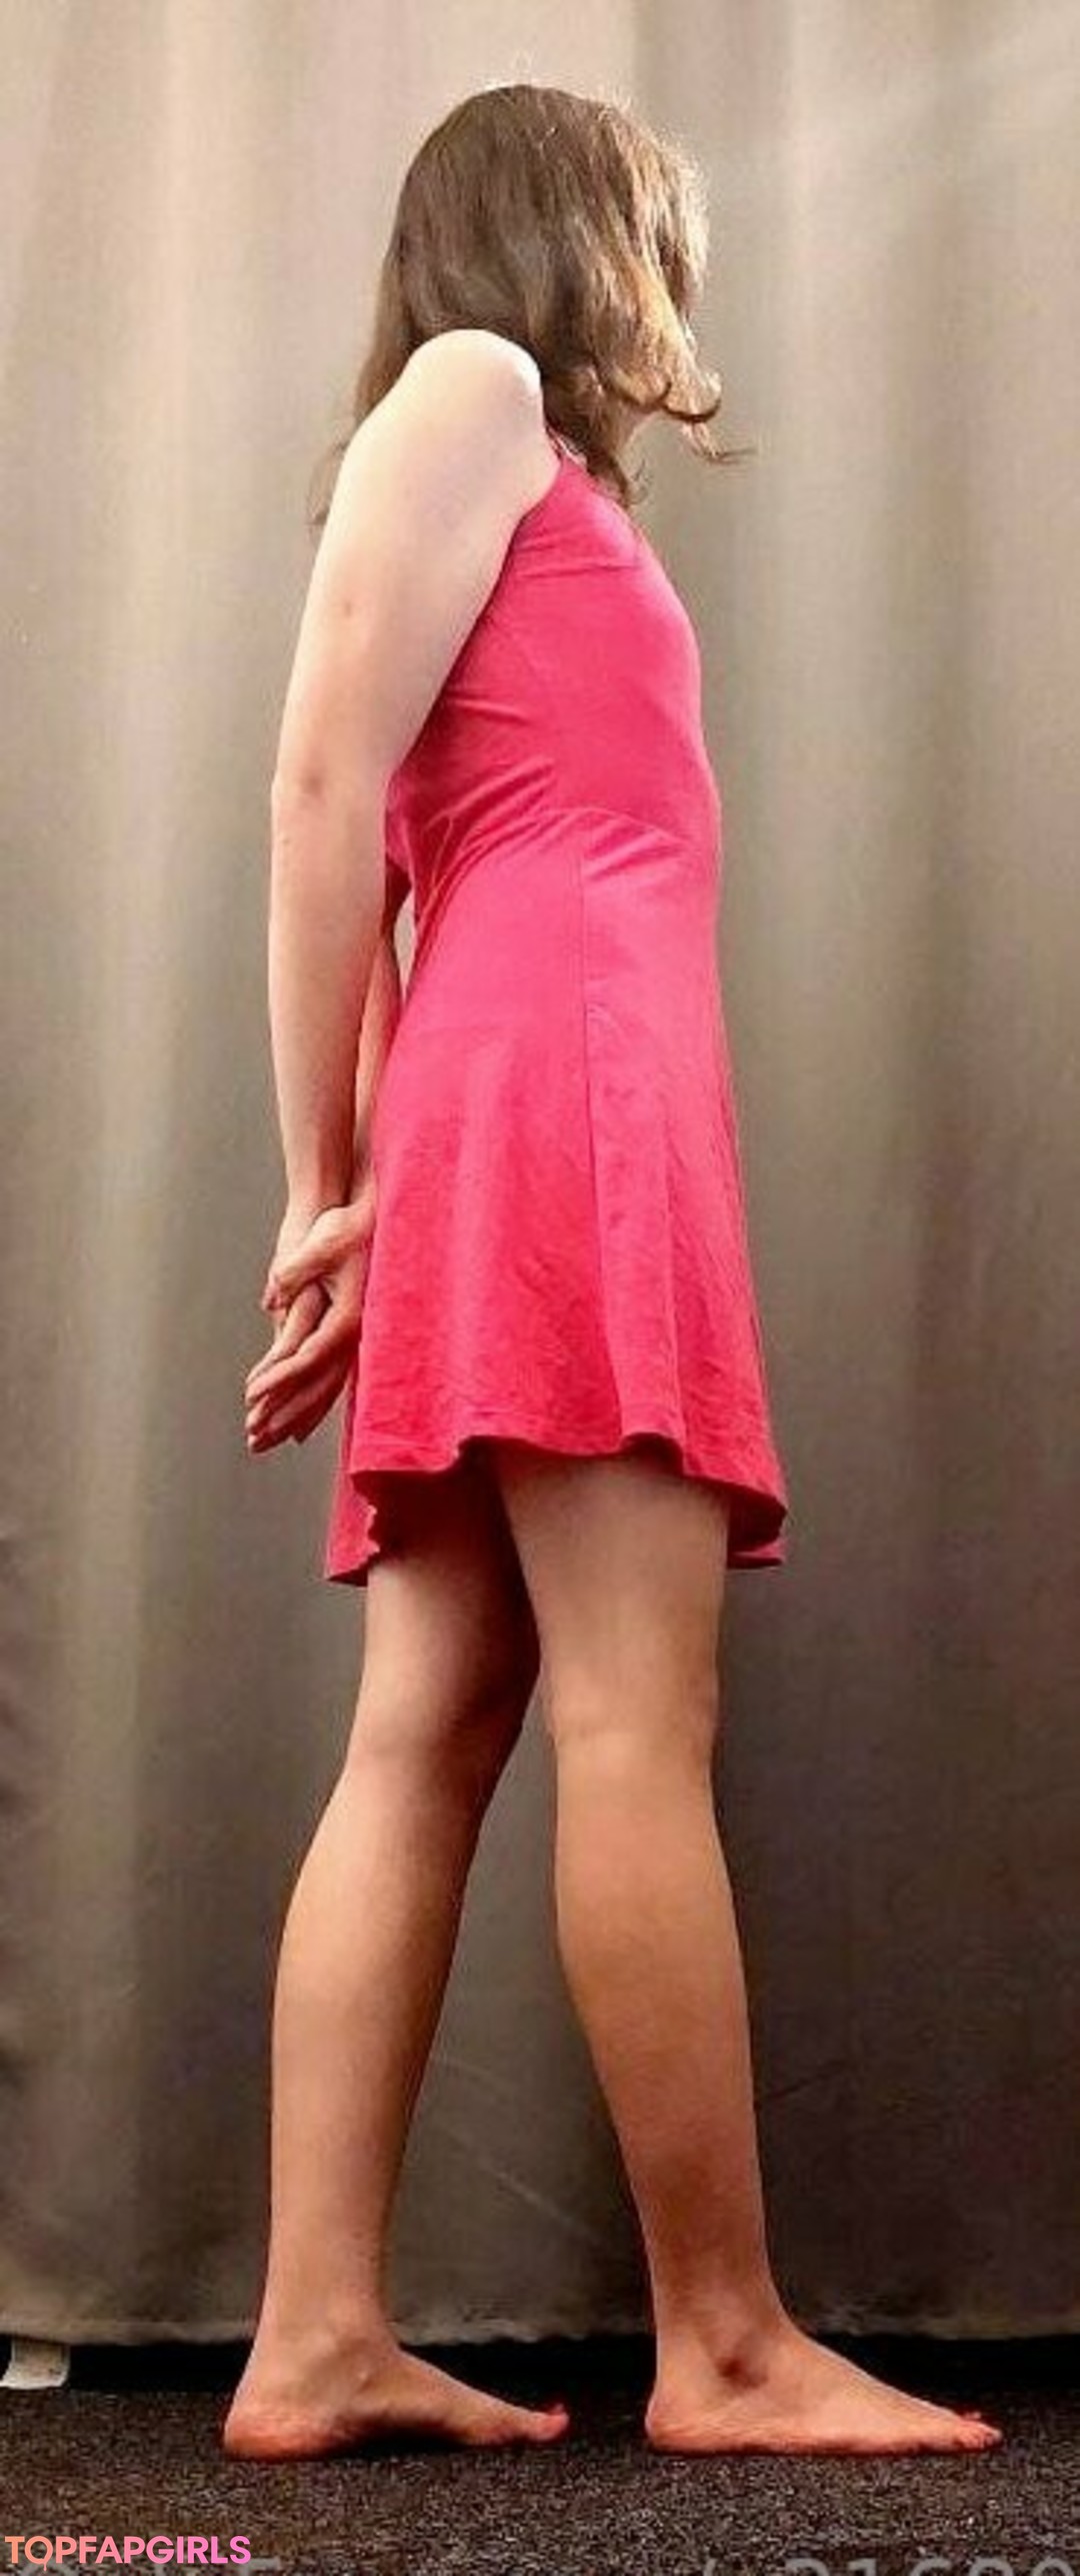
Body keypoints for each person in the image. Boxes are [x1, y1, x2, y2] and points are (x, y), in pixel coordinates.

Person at [225, 85, 1002, 2460]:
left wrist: (379, 1183)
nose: (682, 287)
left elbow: (409, 832)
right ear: (578, 233)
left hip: (511, 1095)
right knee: (633, 1717)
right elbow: (321, 789)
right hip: (564, 1087)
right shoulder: (470, 391)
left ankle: (314, 2333)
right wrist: (321, 1183)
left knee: (437, 1711)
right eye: (661, 234)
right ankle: (727, 2341)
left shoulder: (510, 465)